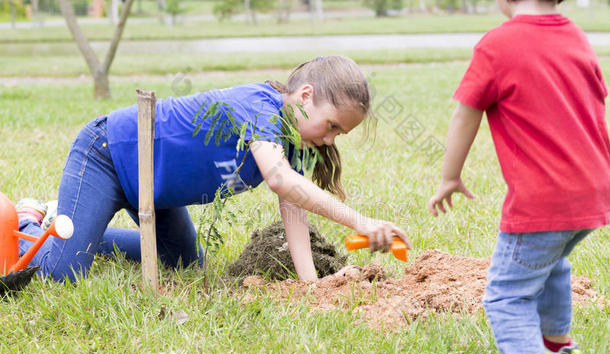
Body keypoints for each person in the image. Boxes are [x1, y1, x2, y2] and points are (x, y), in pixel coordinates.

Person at [16, 56, 409, 284]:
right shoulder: (259, 105)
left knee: (186, 264)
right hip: (107, 156)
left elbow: (293, 208)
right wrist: (359, 220)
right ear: (306, 96)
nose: (330, 140)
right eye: (332, 126)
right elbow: (279, 179)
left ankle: (77, 227)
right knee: (61, 274)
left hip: (156, 191)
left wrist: (312, 286)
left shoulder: (295, 141)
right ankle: (32, 224)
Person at [427, 0, 610, 354]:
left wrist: (450, 176)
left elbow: (466, 113)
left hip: (543, 201)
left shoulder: (498, 44)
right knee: (551, 263)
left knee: (507, 292)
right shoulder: (576, 36)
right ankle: (558, 346)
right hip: (594, 191)